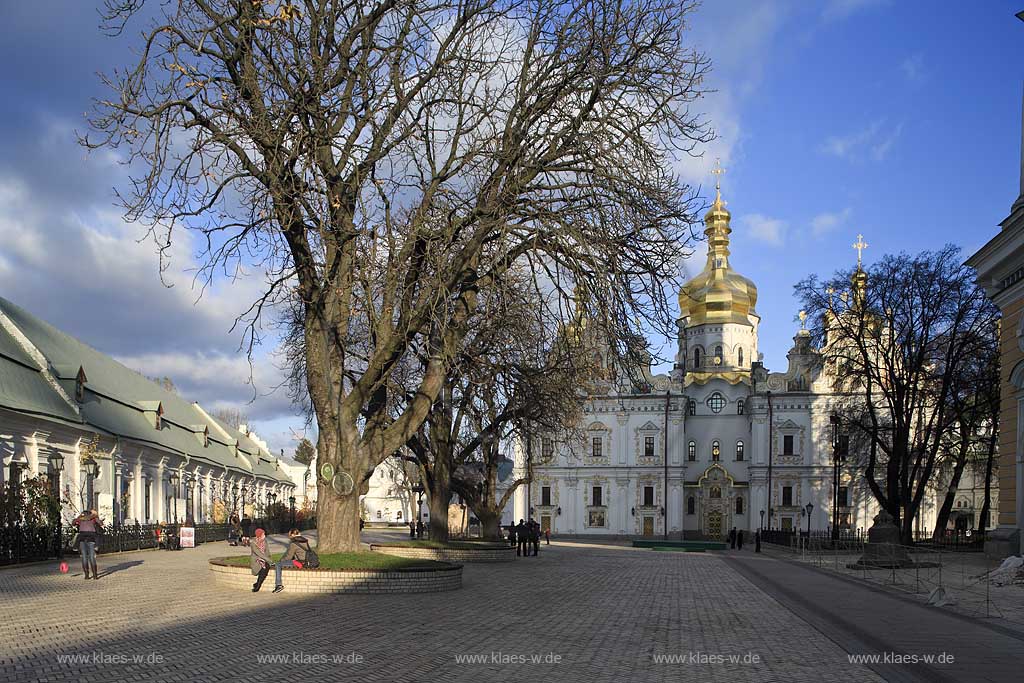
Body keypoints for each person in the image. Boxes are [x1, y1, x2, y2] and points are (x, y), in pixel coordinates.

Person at [270, 528, 317, 594]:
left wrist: (280, 561)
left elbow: (288, 557)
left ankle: (278, 585)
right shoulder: (305, 541)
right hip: (307, 561)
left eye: (290, 535)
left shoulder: (294, 544)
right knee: (283, 562)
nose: (289, 537)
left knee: (278, 564)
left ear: (292, 534)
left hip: (300, 563)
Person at [73, 509, 103, 579]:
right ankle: (95, 575)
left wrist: (79, 517)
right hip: (91, 539)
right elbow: (101, 524)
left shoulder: (81, 519)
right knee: (92, 557)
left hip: (82, 539)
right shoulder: (93, 518)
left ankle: (86, 575)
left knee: (84, 557)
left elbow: (73, 523)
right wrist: (96, 516)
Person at [250, 528, 273, 592]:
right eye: (263, 534)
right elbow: (259, 554)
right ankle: (258, 585)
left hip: (264, 559)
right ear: (259, 535)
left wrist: (270, 559)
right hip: (257, 560)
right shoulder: (253, 543)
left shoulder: (265, 541)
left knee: (266, 567)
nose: (264, 536)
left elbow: (267, 552)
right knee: (263, 568)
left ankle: (257, 584)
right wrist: (268, 560)